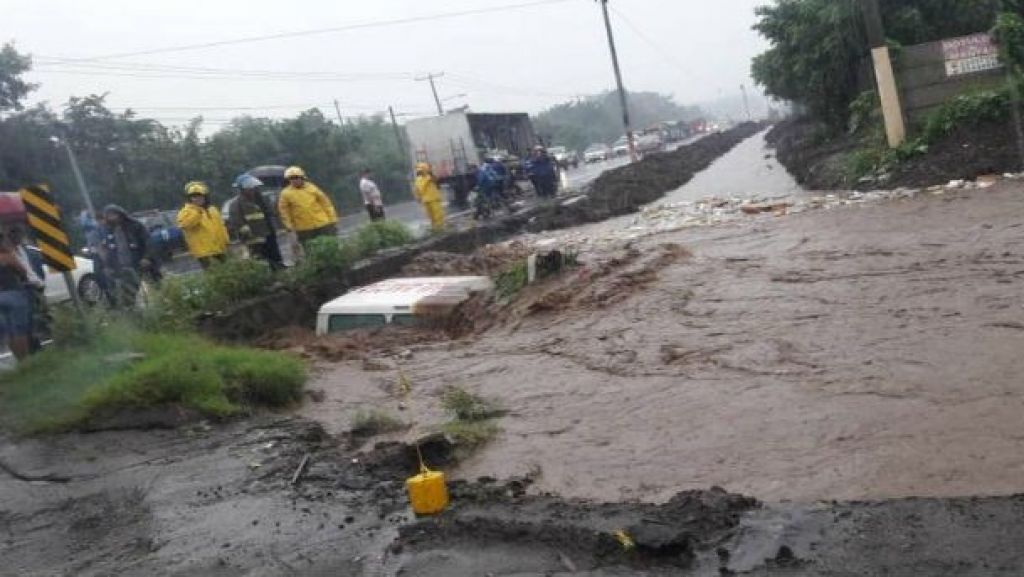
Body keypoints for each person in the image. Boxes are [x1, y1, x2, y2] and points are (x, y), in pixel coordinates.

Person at [227, 173, 284, 270]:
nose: (252, 189)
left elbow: (270, 213)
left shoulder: (260, 200)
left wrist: (275, 227)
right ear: (241, 189)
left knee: (274, 254)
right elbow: (236, 221)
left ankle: (278, 269)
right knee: (259, 258)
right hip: (253, 237)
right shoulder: (236, 204)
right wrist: (245, 232)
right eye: (249, 187)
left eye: (253, 187)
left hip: (268, 233)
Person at [100, 204, 149, 308]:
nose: (112, 217)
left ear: (120, 214)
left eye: (114, 214)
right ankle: (133, 313)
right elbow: (107, 250)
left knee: (150, 288)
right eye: (109, 215)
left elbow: (148, 242)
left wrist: (146, 257)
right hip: (122, 267)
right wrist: (107, 266)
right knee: (128, 293)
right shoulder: (107, 230)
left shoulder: (135, 225)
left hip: (139, 263)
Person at [277, 165, 338, 245]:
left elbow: (326, 204)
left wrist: (333, 219)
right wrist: (289, 227)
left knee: (330, 245)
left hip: (322, 223)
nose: (294, 180)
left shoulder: (312, 188)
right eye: (291, 178)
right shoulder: (285, 193)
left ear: (302, 177)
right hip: (304, 229)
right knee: (310, 249)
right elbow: (284, 213)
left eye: (296, 177)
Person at [177, 181, 229, 269]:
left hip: (220, 249)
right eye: (194, 196)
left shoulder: (212, 209)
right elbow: (185, 225)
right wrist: (197, 212)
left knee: (227, 272)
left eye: (200, 196)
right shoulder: (185, 211)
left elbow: (221, 227)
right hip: (204, 253)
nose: (197, 198)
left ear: (205, 196)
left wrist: (226, 241)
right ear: (189, 198)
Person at [0, 230, 32, 360]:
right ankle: (24, 360)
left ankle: (18, 359)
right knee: (19, 329)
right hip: (13, 293)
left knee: (9, 331)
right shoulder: (6, 256)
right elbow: (22, 271)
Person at [414, 162, 446, 231]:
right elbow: (417, 189)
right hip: (426, 200)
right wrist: (418, 197)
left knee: (438, 215)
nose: (419, 171)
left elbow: (436, 180)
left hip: (434, 199)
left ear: (425, 170)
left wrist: (430, 174)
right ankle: (435, 228)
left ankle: (440, 229)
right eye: (418, 170)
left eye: (421, 170)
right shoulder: (418, 179)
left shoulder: (430, 177)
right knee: (430, 216)